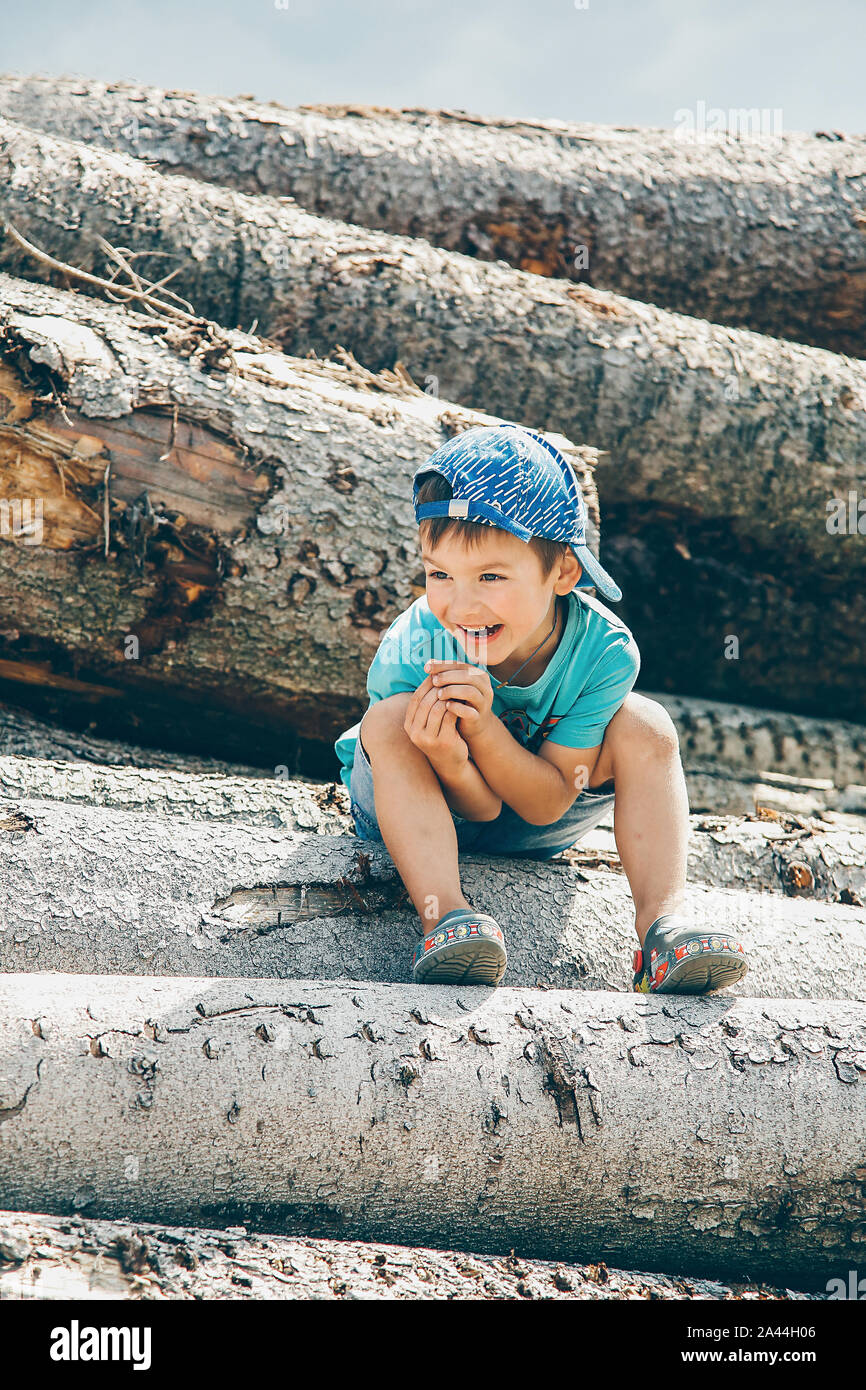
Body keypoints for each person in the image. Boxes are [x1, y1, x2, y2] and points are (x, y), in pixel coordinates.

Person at [334, 423, 749, 994]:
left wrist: (480, 728)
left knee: (646, 725)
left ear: (563, 573)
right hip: (415, 808)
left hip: (536, 814)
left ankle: (660, 929)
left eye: (491, 576)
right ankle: (444, 917)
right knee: (387, 722)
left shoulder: (602, 651)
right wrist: (450, 758)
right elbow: (475, 809)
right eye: (439, 575)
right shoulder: (415, 646)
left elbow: (547, 802)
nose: (461, 602)